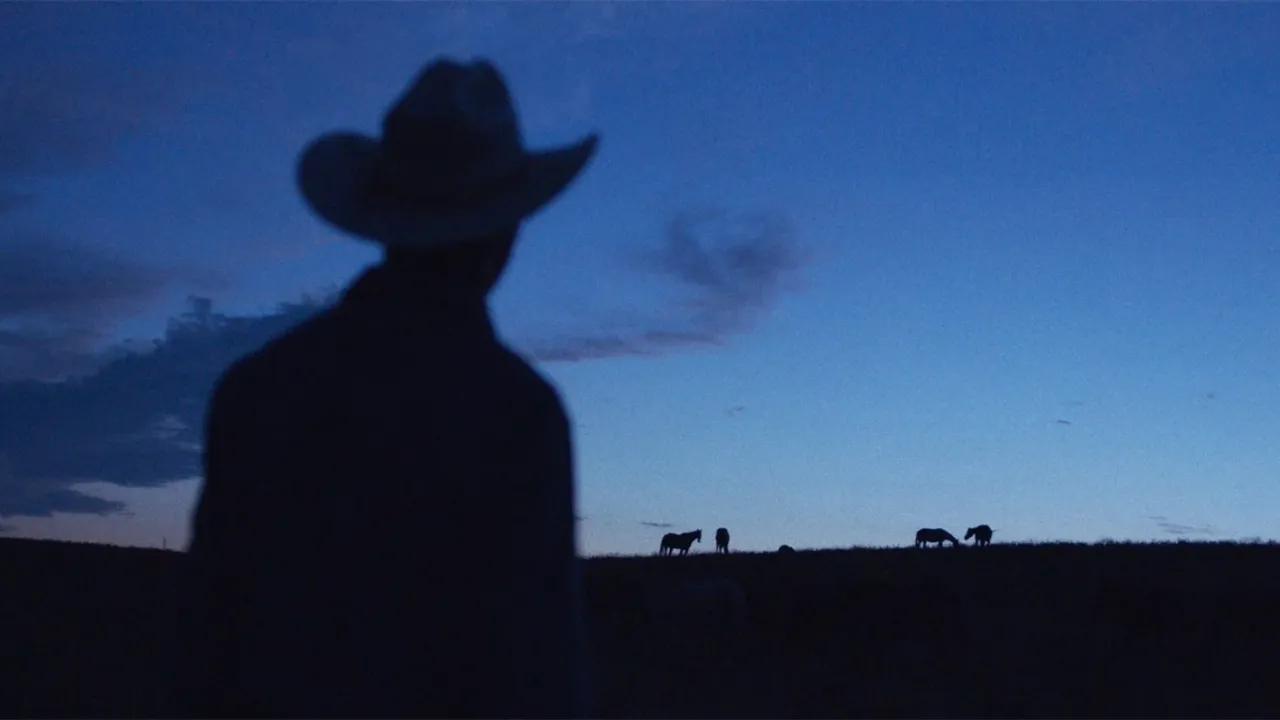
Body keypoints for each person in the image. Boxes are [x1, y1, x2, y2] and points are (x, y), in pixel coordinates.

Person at [169, 58, 600, 719]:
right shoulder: (516, 413)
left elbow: (204, 644)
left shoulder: (257, 389)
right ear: (506, 228)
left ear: (385, 217)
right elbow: (538, 674)